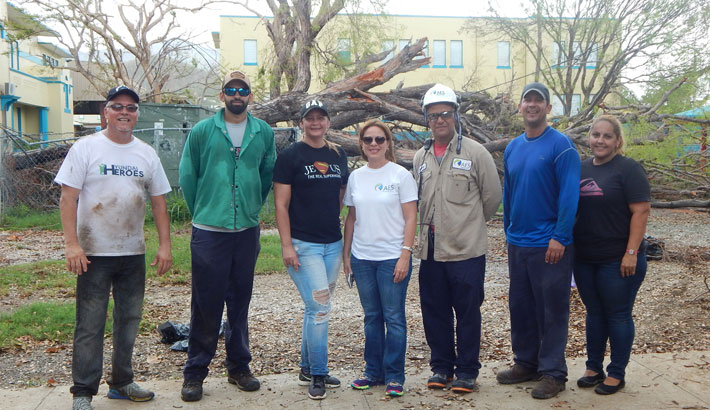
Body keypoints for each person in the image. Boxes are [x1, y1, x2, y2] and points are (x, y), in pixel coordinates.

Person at [56, 85, 173, 410]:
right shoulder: (86, 148)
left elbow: (159, 203)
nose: (125, 112)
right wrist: (72, 245)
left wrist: (164, 245)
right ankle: (83, 392)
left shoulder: (146, 153)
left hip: (132, 253)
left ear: (137, 114)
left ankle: (121, 382)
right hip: (93, 255)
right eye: (117, 106)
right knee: (90, 324)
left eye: (131, 108)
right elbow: (68, 198)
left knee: (129, 320)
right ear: (105, 112)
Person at [178, 70, 276, 401]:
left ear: (250, 96)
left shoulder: (262, 131)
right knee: (205, 303)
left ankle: (238, 367)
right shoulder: (205, 130)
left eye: (243, 90)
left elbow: (266, 175)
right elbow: (188, 174)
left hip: (245, 231)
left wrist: (249, 207)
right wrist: (205, 209)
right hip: (209, 231)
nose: (237, 94)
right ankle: (194, 373)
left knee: (239, 301)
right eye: (231, 90)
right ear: (222, 96)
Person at [412, 84, 502, 394]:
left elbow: (492, 197)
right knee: (434, 311)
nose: (440, 120)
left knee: (467, 312)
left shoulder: (475, 152)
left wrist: (468, 225)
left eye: (446, 114)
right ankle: (441, 367)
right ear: (426, 118)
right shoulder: (420, 157)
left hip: (466, 251)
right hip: (431, 251)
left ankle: (466, 371)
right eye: (434, 115)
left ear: (456, 115)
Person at [498, 82, 581, 399]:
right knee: (521, 307)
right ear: (520, 107)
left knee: (551, 310)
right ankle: (526, 363)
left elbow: (570, 196)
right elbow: (509, 193)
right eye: (527, 100)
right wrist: (508, 231)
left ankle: (553, 373)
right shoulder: (513, 147)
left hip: (550, 244)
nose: (532, 105)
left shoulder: (562, 146)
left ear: (548, 108)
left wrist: (560, 236)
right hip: (518, 243)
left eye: (539, 101)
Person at [273, 99, 348, 400]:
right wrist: (287, 245)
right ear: (302, 122)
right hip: (304, 245)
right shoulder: (290, 156)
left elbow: (341, 192)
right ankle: (318, 372)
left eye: (321, 118)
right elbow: (280, 204)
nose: (316, 123)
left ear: (328, 122)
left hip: (332, 243)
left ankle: (307, 366)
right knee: (320, 307)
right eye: (310, 118)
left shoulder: (337, 154)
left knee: (315, 307)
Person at [573, 115, 651, 395]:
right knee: (594, 314)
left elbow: (640, 211)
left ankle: (617, 372)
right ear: (589, 137)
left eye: (607, 136)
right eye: (596, 135)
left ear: (618, 141)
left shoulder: (628, 169)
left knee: (617, 315)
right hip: (585, 258)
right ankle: (594, 368)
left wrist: (631, 252)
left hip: (618, 260)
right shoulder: (580, 168)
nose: (600, 141)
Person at [343, 120, 418, 397]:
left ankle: (395, 375)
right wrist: (347, 256)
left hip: (391, 258)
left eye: (379, 139)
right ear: (361, 144)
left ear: (388, 143)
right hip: (363, 259)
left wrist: (405, 255)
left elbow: (411, 217)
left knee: (394, 317)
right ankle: (373, 371)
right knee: (372, 317)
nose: (374, 144)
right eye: (368, 140)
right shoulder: (355, 177)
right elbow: (351, 218)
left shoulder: (400, 175)